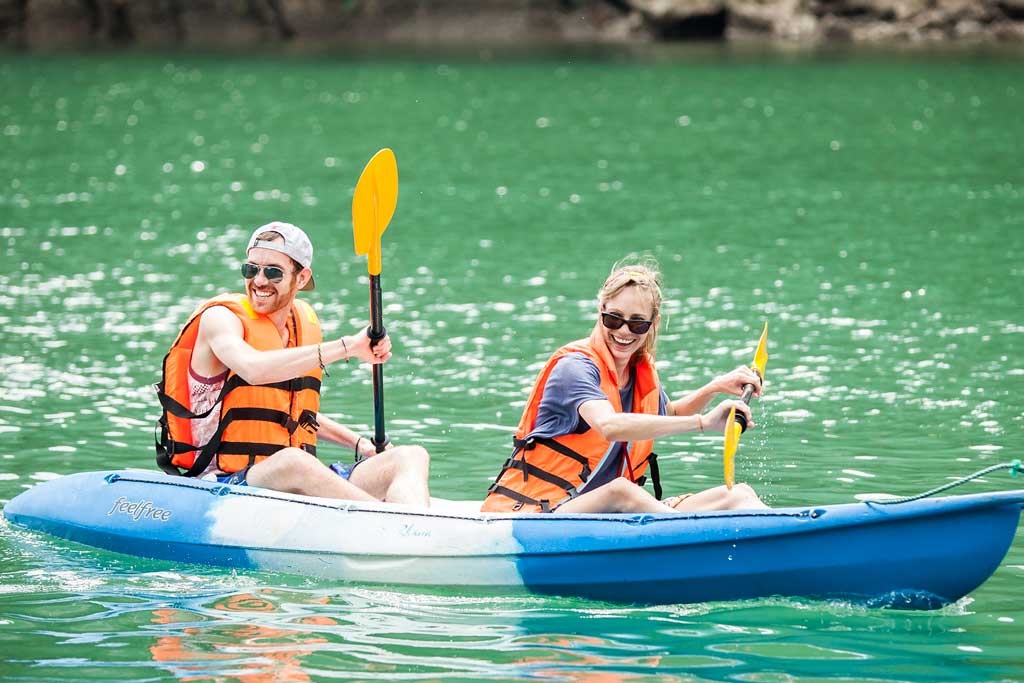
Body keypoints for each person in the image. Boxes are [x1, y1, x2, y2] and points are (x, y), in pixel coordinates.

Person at [154, 221, 430, 506]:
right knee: (294, 462)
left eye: (273, 272)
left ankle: (415, 525)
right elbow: (253, 369)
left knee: (411, 456)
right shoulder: (221, 319)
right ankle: (389, 520)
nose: (259, 281)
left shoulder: (299, 326)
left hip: (292, 477)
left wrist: (360, 444)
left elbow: (291, 412)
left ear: (301, 277)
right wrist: (348, 347)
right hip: (224, 483)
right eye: (251, 269)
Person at [481, 254, 766, 514]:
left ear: (653, 323)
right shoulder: (575, 368)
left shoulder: (637, 371)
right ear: (600, 311)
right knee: (621, 490)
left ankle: (775, 537)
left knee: (739, 494)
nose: (624, 331)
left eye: (637, 323)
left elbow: (671, 414)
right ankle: (691, 535)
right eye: (613, 319)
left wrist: (714, 387)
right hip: (536, 512)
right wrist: (703, 423)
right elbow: (610, 426)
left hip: (605, 512)